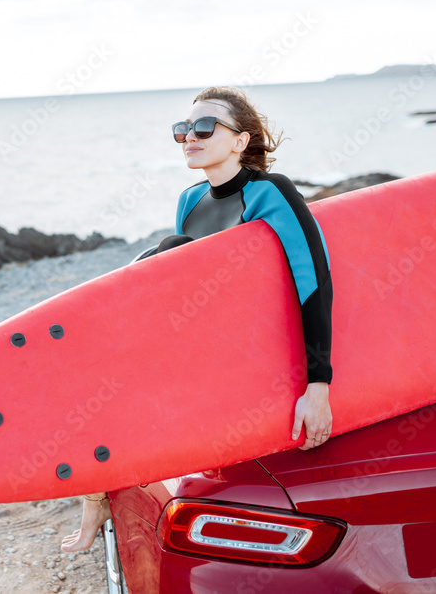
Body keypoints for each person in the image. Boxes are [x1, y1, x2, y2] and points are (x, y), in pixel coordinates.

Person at [61, 86, 334, 553]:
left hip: (255, 356)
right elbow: (182, 291)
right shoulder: (189, 200)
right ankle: (95, 493)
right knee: (103, 373)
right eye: (183, 129)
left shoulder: (270, 192)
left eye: (205, 127)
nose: (190, 136)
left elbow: (313, 279)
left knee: (168, 251)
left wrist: (318, 386)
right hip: (201, 347)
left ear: (240, 141)